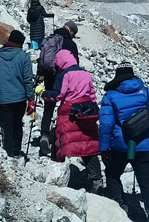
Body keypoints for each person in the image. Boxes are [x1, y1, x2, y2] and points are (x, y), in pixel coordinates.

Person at [100, 62, 149, 222]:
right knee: (147, 182)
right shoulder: (146, 92)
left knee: (112, 173)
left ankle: (119, 206)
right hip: (144, 144)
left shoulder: (110, 95)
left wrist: (104, 148)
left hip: (121, 145)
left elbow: (106, 125)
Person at [46, 49, 101, 191]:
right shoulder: (86, 74)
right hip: (86, 112)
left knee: (60, 141)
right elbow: (93, 95)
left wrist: (43, 92)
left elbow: (58, 95)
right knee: (89, 144)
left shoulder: (64, 75)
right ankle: (96, 179)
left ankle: (57, 172)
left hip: (69, 113)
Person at [0, 30, 35, 158]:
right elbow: (27, 80)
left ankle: (7, 152)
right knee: (17, 123)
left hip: (2, 98)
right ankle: (16, 151)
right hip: (19, 98)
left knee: (6, 125)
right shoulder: (23, 57)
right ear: (19, 43)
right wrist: (31, 99)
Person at [37, 21, 80, 156]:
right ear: (71, 32)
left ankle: (44, 135)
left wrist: (40, 78)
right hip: (64, 79)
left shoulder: (50, 40)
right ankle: (60, 138)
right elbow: (75, 64)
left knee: (48, 106)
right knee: (64, 108)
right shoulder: (70, 44)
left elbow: (42, 60)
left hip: (49, 77)